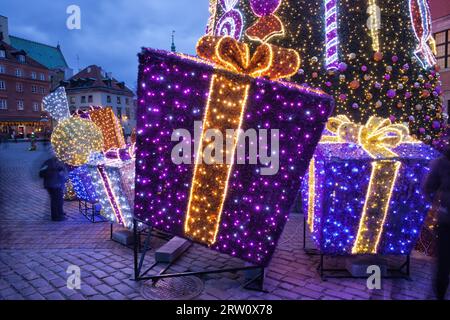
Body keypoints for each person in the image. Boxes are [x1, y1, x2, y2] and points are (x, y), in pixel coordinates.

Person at [424, 142, 450, 300]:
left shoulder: (442, 162)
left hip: (446, 219)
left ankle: (440, 295)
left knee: (444, 263)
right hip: (446, 220)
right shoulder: (442, 162)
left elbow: (428, 188)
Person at [39, 156, 67, 221]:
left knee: (58, 199)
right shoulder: (52, 163)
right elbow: (41, 173)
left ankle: (60, 212)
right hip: (54, 184)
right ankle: (56, 216)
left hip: (54, 184)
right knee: (56, 200)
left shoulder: (50, 162)